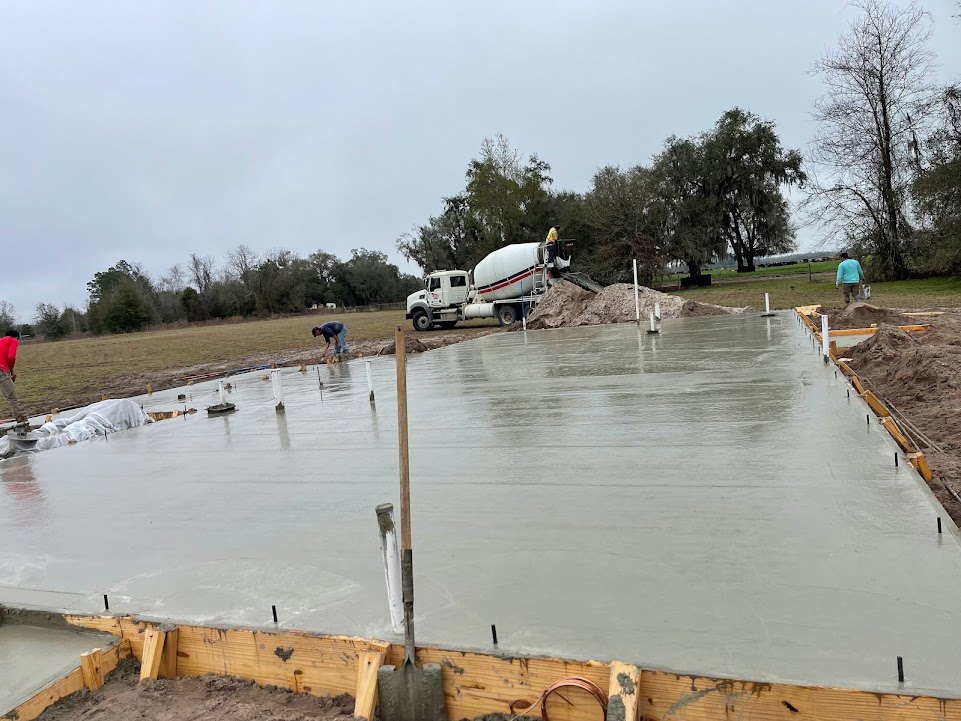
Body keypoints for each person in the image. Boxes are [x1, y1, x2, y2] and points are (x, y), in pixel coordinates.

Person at [0, 329, 25, 423]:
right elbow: (11, 357)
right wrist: (11, 371)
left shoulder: (1, 340)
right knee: (11, 396)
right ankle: (22, 421)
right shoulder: (13, 340)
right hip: (1, 369)